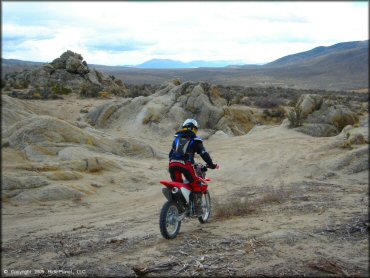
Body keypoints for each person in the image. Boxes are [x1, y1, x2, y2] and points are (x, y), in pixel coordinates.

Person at [168, 119, 217, 215]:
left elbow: (170, 154)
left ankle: (179, 206)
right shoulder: (195, 140)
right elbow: (204, 154)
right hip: (186, 165)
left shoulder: (176, 139)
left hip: (172, 165)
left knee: (178, 184)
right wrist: (211, 165)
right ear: (194, 129)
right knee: (197, 184)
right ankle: (198, 210)